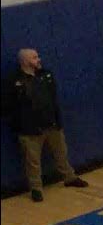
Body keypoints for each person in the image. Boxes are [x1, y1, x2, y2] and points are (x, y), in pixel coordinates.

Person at [2, 48, 88, 202]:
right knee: (33, 161)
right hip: (29, 129)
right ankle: (36, 189)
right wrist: (20, 124)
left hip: (51, 124)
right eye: (35, 57)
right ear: (25, 61)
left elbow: (53, 98)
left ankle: (69, 177)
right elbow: (8, 106)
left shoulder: (46, 75)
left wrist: (57, 120)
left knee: (61, 153)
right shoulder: (14, 81)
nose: (39, 60)